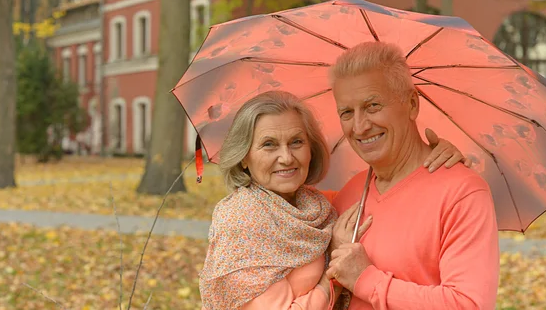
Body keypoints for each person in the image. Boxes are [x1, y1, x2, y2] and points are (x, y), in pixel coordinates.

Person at [199, 91, 468, 310]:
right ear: (244, 157)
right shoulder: (241, 220)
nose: (286, 157)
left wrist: (426, 160)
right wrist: (335, 271)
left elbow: (391, 196)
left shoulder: (314, 206)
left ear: (311, 149)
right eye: (269, 144)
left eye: (296, 142)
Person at [326, 42, 500, 309]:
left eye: (372, 106)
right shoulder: (349, 192)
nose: (359, 126)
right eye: (347, 112)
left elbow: (467, 304)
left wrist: (365, 279)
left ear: (412, 104)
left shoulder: (461, 192)